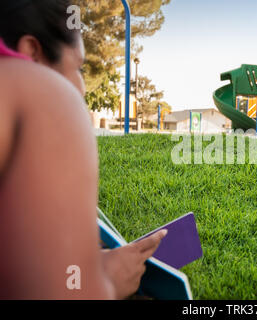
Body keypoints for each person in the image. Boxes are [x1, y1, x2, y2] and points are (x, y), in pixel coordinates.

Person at [0, 0, 167, 299]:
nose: (82, 87)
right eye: (78, 66)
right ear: (32, 52)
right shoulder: (42, 91)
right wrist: (109, 280)